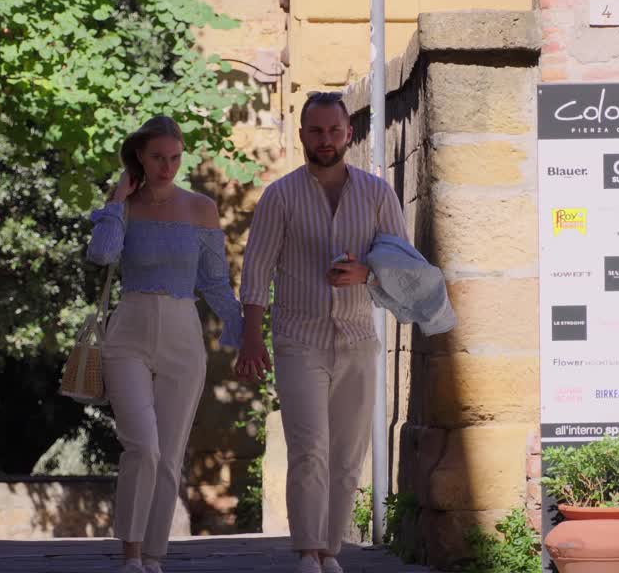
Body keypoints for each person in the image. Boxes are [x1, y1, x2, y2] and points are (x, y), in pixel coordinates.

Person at [235, 92, 407, 573]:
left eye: (334, 131)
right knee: (309, 445)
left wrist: (365, 276)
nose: (325, 140)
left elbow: (404, 267)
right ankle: (307, 550)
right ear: (302, 135)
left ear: (348, 133)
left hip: (357, 338)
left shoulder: (378, 194)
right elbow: (256, 270)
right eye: (316, 131)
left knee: (348, 452)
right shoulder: (280, 196)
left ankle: (331, 550)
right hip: (298, 338)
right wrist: (252, 338)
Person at [87, 115, 244, 573]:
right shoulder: (125, 206)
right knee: (143, 446)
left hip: (182, 332)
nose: (167, 166)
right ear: (139, 155)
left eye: (175, 158)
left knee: (171, 451)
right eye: (158, 157)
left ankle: (154, 556)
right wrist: (118, 198)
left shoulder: (201, 208)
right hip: (129, 330)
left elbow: (215, 283)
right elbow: (101, 253)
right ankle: (131, 554)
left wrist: (245, 334)